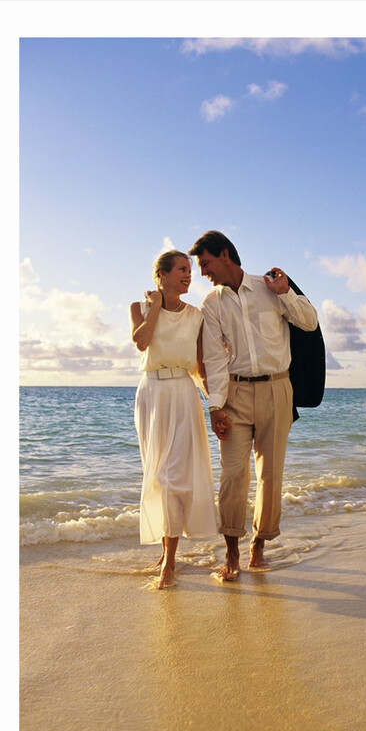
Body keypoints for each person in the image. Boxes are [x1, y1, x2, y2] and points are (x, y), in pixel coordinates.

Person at [188, 230, 318, 581]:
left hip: (278, 389)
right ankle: (231, 552)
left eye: (206, 263)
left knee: (270, 474)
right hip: (236, 394)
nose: (203, 272)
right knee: (232, 475)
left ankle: (259, 544)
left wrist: (286, 293)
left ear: (225, 255)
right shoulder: (211, 304)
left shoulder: (269, 286)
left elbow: (309, 322)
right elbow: (214, 359)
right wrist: (215, 406)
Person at [129, 250, 217, 589]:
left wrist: (217, 406)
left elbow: (201, 367)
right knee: (157, 475)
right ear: (162, 275)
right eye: (182, 269)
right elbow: (142, 342)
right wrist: (154, 308)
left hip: (182, 393)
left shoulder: (196, 316)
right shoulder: (138, 309)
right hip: (151, 395)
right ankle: (166, 551)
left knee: (173, 478)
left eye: (190, 270)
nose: (188, 275)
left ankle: (169, 561)